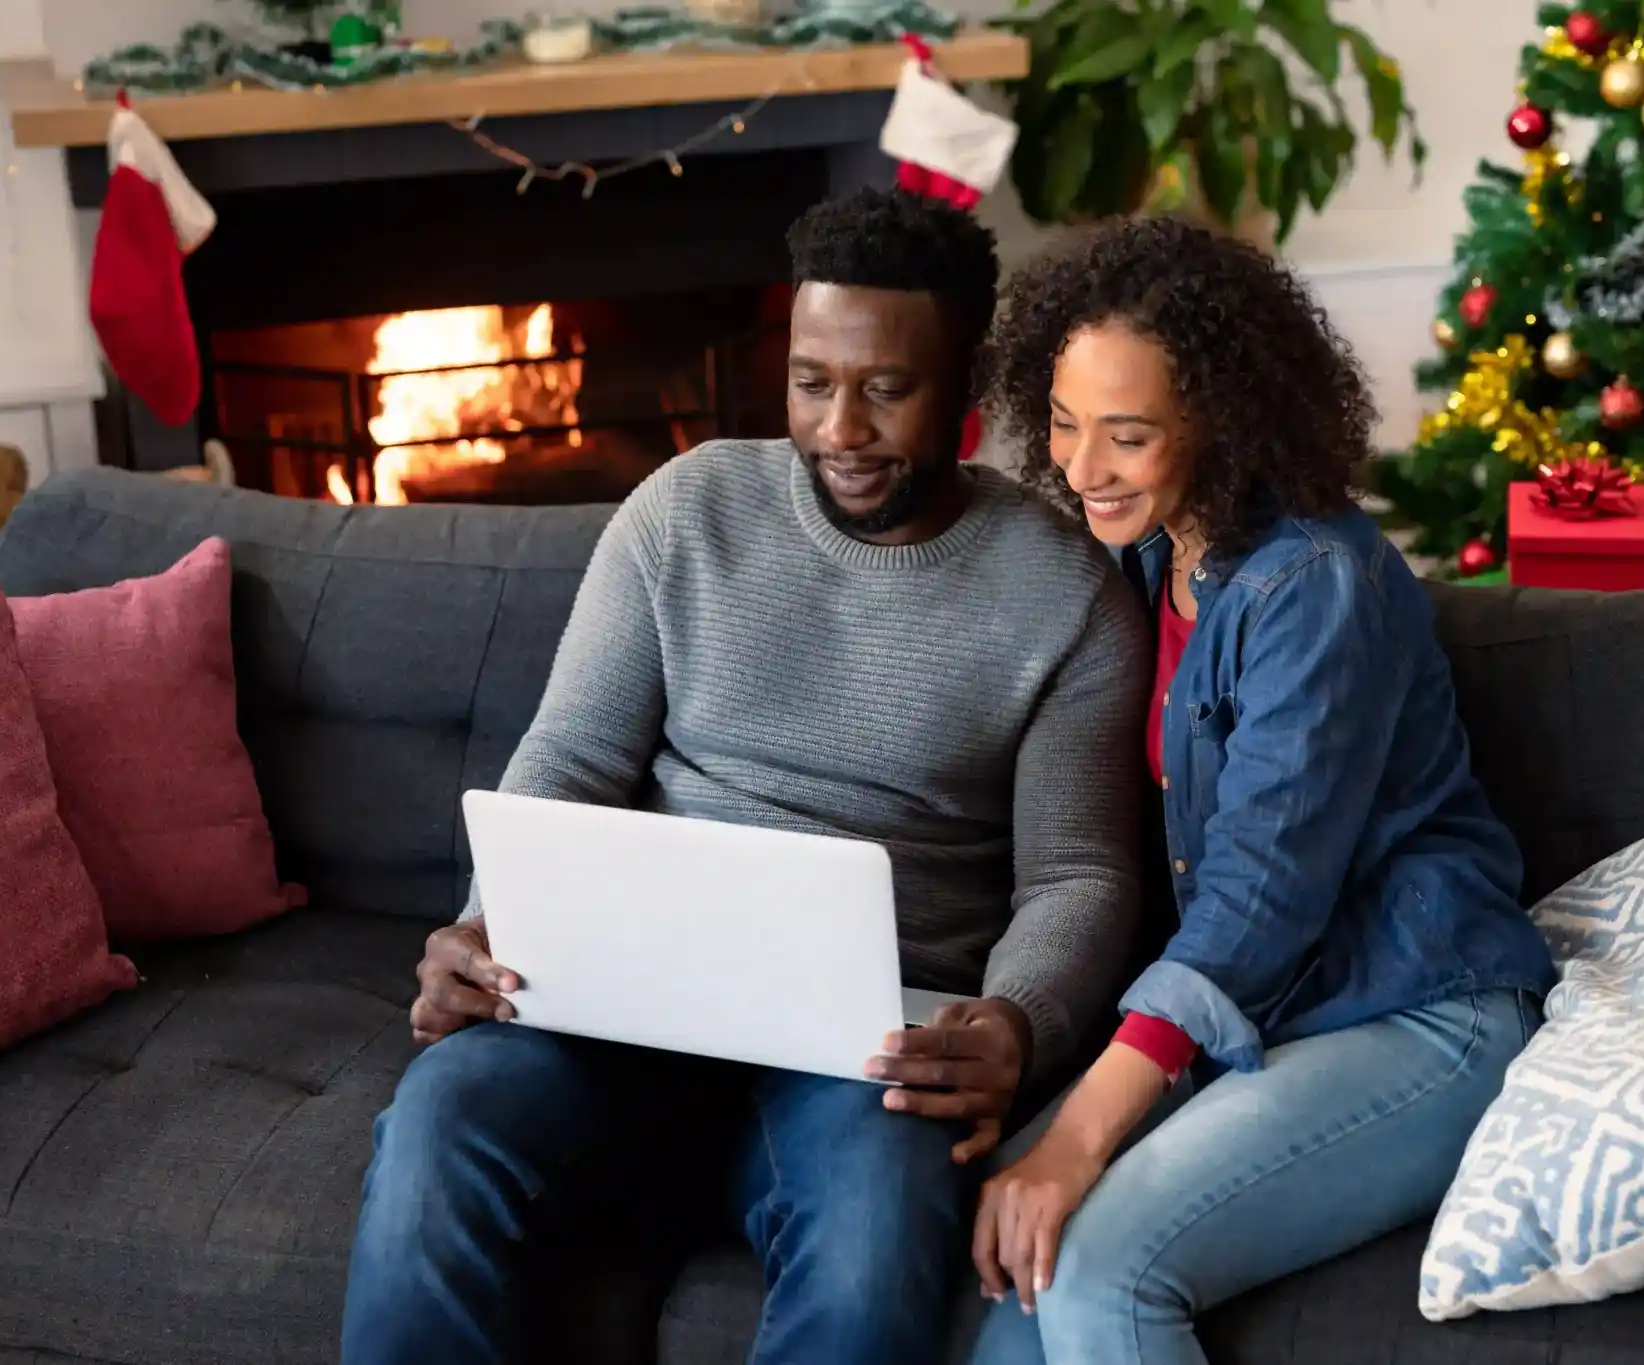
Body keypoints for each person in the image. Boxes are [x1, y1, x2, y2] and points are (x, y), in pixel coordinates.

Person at [339, 187, 1150, 1365]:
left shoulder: (1062, 588)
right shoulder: (687, 508)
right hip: (618, 1004)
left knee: (874, 1253)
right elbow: (568, 758)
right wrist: (482, 923)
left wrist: (1016, 1022)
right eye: (811, 381)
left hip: (868, 1050)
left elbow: (1076, 872)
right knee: (437, 1125)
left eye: (884, 388)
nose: (839, 428)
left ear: (966, 386)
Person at [966, 217, 1560, 1365]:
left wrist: (1077, 1139)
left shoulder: (1313, 587)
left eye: (1126, 437)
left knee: (1094, 1269)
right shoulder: (1139, 557)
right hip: (1266, 1021)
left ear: (1221, 425)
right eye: (1061, 422)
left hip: (1414, 1013)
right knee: (1004, 1265)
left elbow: (1257, 897)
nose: (1081, 469)